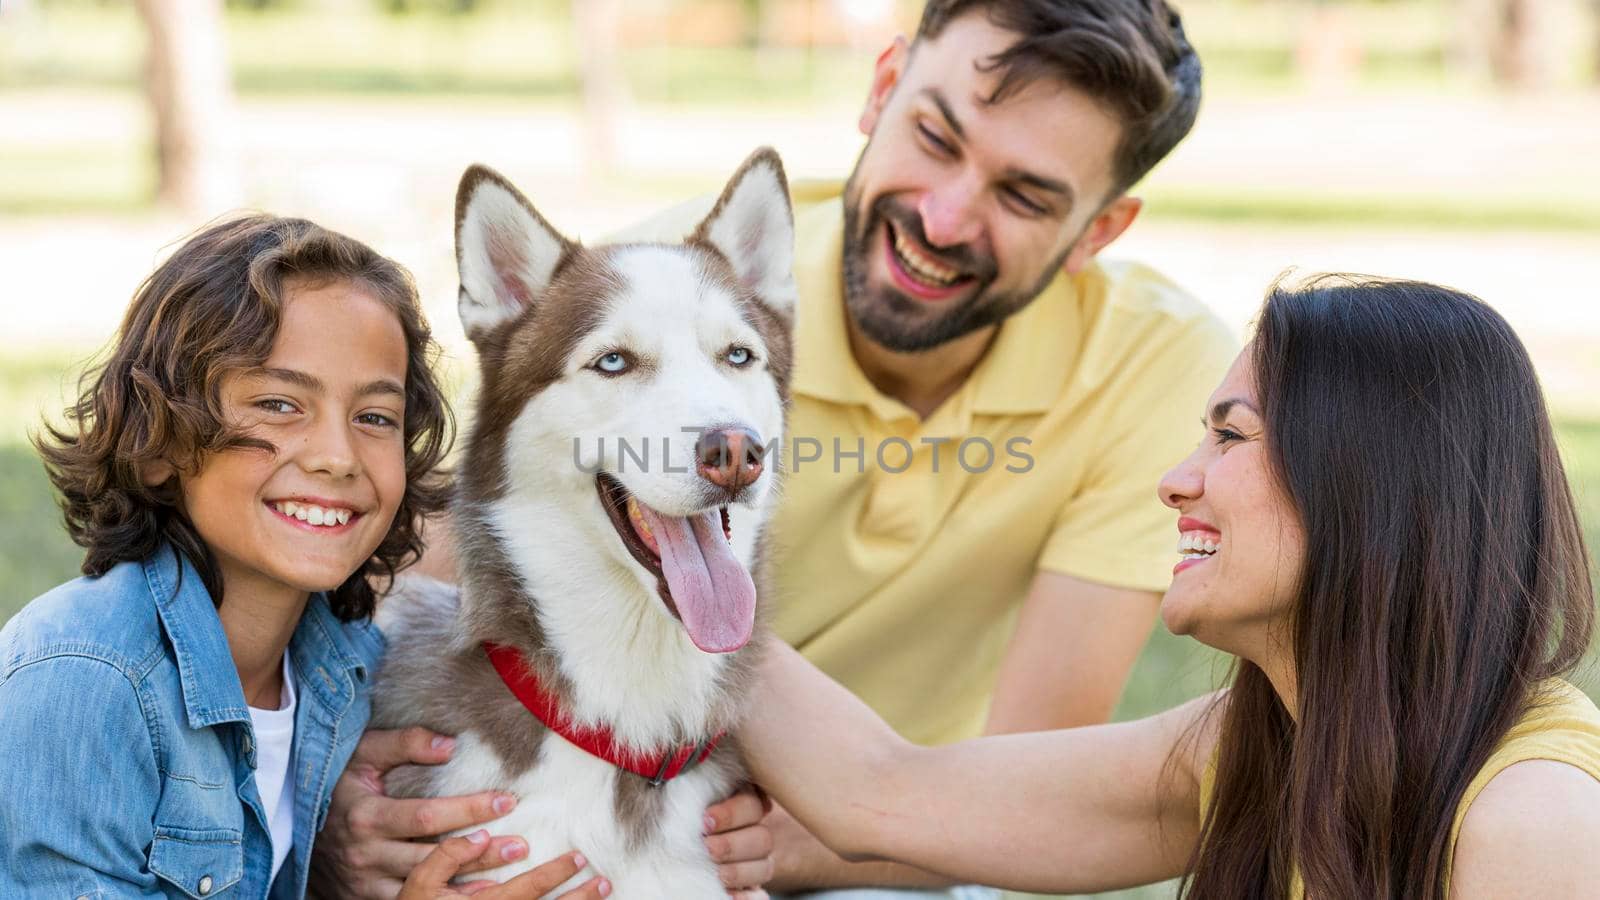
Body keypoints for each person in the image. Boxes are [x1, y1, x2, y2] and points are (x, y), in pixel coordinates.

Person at [319, 1, 1236, 896]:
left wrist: (826, 840)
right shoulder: (662, 286)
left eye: (1025, 195)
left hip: (905, 844)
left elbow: (1024, 788)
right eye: (935, 136)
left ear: (1097, 232)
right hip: (605, 777)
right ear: (882, 91)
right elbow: (448, 562)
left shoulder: (1152, 364)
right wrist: (341, 798)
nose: (946, 219)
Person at [736, 275, 1600, 899]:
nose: (1176, 482)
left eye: (1231, 437)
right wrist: (667, 564)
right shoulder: (1272, 742)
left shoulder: (1531, 821)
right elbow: (882, 795)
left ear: (1366, 480)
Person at [0, 216, 608, 899]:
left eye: (374, 417)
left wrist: (746, 821)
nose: (337, 457)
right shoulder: (86, 684)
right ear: (161, 443)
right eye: (281, 404)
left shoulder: (345, 665)